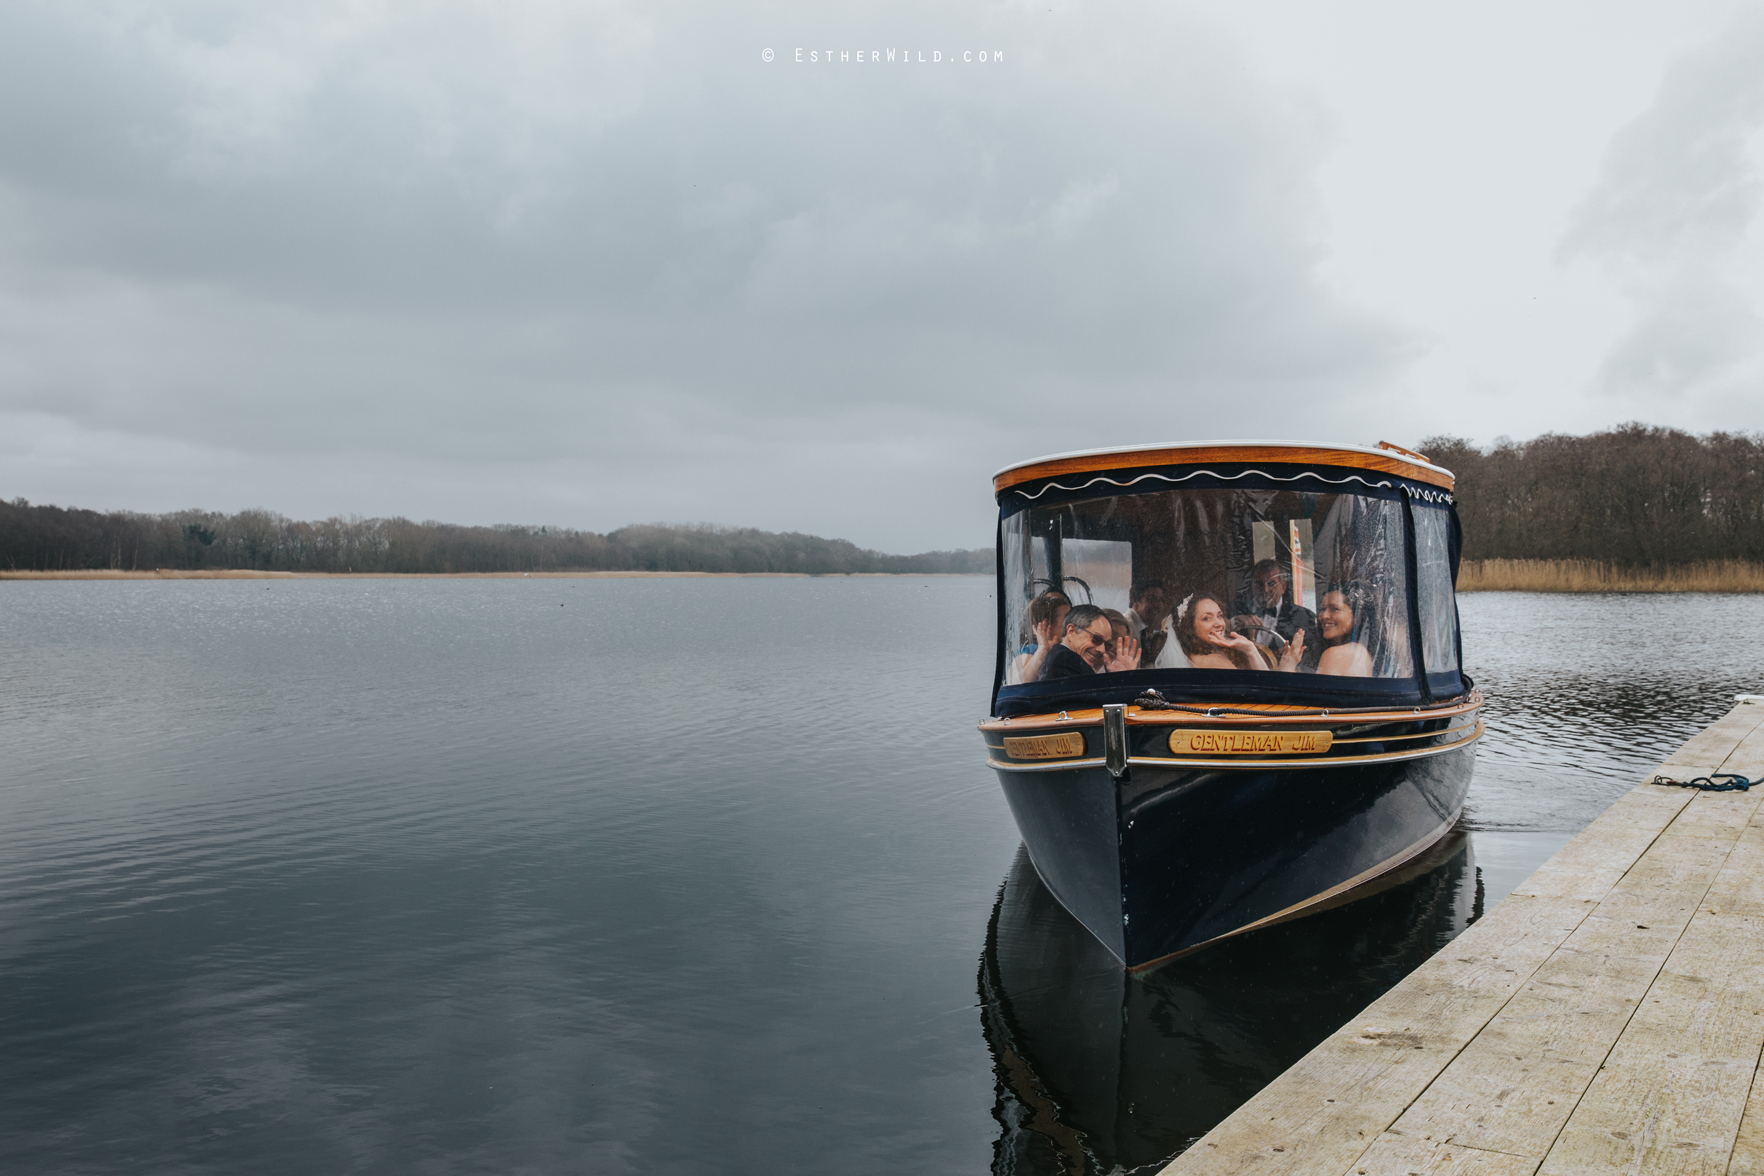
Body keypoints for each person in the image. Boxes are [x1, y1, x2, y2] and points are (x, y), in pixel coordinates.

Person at [1176, 594, 1301, 671]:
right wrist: (1288, 666)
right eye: (1207, 618)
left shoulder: (1197, 655)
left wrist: (1249, 650)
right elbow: (1265, 693)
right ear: (1189, 626)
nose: (1219, 623)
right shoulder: (1213, 661)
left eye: (1219, 616)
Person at [1230, 559, 1318, 659]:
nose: (1265, 590)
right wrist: (1234, 622)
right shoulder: (1236, 609)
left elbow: (1307, 659)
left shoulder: (1304, 617)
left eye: (1271, 584)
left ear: (1283, 586)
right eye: (1259, 584)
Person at [1043, 604, 1140, 678]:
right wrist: (1119, 678)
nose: (1102, 649)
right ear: (1071, 631)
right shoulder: (1066, 660)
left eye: (1105, 642)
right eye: (1096, 639)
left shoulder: (1065, 658)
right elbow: (1097, 699)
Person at [1311, 583, 1377, 677]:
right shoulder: (1363, 651)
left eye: (1335, 609)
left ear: (1356, 616)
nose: (1324, 615)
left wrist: (1289, 664)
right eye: (1322, 609)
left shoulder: (1336, 654)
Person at [1008, 590, 1069, 684]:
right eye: (1067, 621)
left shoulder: (1062, 652)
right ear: (1047, 624)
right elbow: (1015, 685)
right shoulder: (1030, 651)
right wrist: (1042, 650)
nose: (1072, 625)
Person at [1125, 580, 1173, 667]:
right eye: (1152, 599)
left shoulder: (1141, 626)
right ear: (1134, 600)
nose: (1158, 605)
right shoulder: (1127, 626)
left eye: (1161, 600)